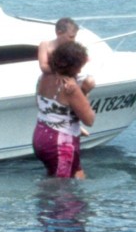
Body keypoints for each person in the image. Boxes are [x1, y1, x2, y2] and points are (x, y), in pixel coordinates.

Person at [34, 39, 96, 178]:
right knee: (63, 194)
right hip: (61, 144)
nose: (80, 70)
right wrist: (85, 91)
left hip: (41, 136)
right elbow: (89, 119)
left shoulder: (42, 78)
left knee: (76, 174)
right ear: (73, 66)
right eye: (79, 66)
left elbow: (44, 107)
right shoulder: (71, 88)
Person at [38, 17, 96, 94]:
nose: (73, 40)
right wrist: (58, 73)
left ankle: (80, 97)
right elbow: (43, 66)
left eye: (75, 36)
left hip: (71, 74)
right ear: (59, 33)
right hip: (53, 74)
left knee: (90, 82)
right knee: (63, 85)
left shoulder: (73, 46)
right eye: (71, 37)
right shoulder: (45, 45)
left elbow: (83, 62)